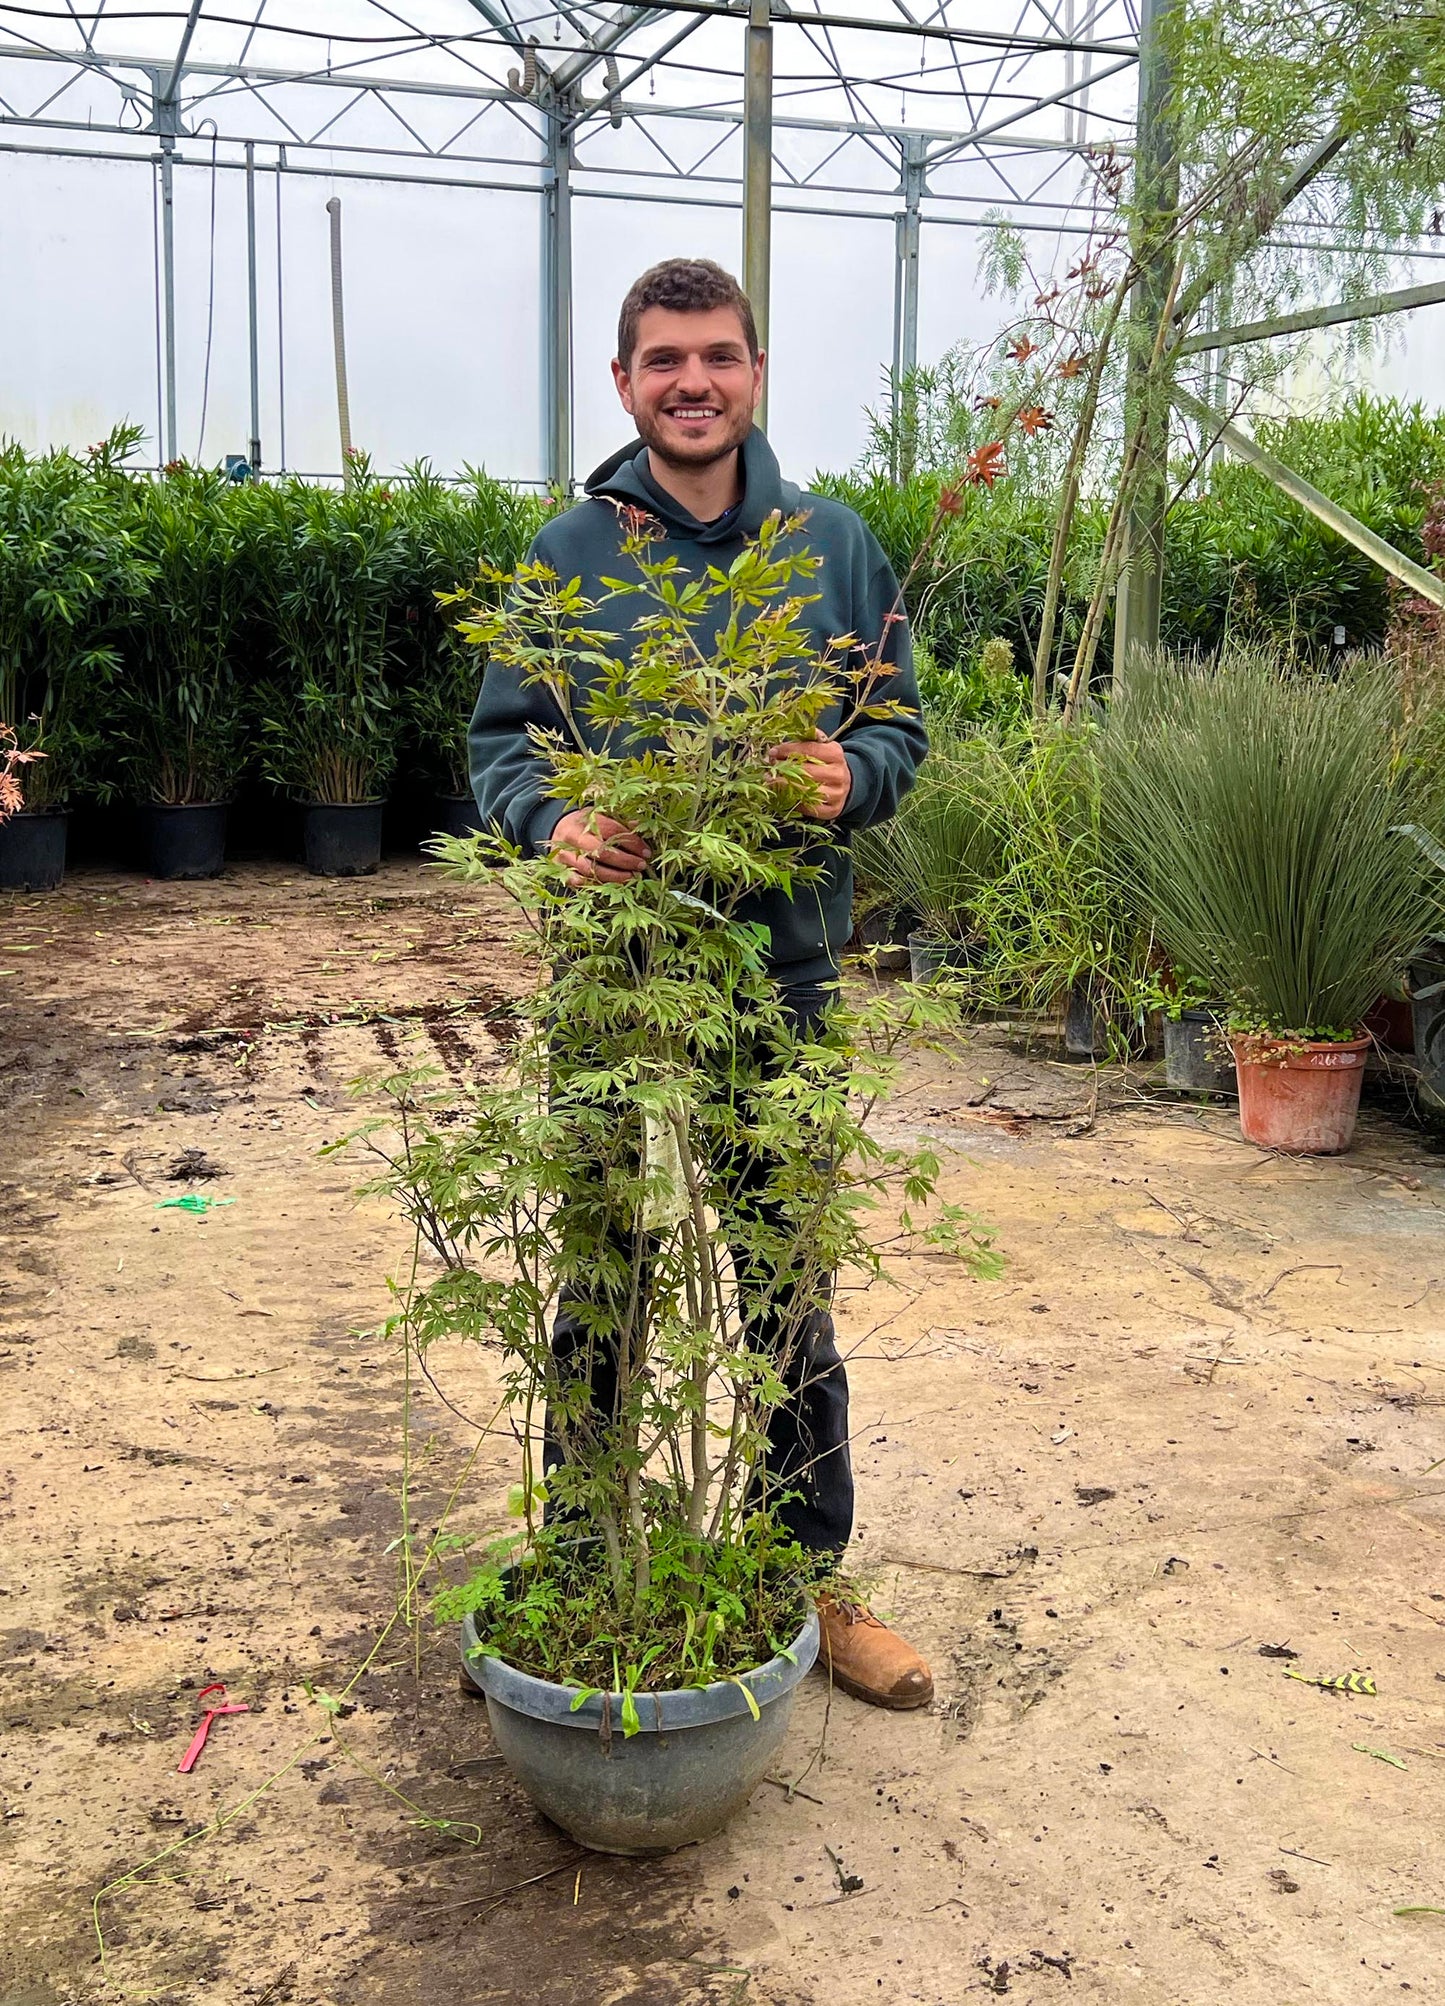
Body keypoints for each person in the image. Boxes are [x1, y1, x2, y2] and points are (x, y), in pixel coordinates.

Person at [469, 256, 933, 1709]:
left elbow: (902, 728)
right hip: (613, 978)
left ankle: (804, 1573)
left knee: (782, 1284)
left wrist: (845, 774)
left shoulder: (836, 544)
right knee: (601, 1285)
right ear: (623, 383)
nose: (691, 381)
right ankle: (577, 1567)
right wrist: (556, 824)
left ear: (753, 373)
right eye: (663, 359)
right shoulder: (566, 550)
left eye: (717, 356)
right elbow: (499, 750)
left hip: (778, 977)